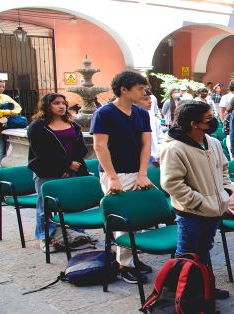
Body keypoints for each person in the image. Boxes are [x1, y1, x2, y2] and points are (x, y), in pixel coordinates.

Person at [160, 101, 231, 299]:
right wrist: (198, 201)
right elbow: (172, 183)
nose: (214, 120)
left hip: (214, 209)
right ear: (194, 123)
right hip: (191, 212)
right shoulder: (174, 148)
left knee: (204, 250)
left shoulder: (213, 142)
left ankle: (206, 288)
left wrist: (226, 191)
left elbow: (225, 168)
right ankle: (185, 297)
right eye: (208, 118)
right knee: (187, 254)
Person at [90, 71, 154, 284]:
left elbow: (146, 144)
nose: (144, 92)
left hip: (138, 172)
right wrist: (113, 177)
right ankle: (125, 264)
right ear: (124, 89)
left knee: (139, 218)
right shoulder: (105, 113)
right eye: (139, 88)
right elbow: (100, 146)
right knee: (123, 220)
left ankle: (130, 257)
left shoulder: (141, 113)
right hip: (115, 173)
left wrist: (143, 172)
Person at [27, 93, 89, 252]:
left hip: (72, 169)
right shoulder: (37, 126)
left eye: (63, 103)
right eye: (56, 103)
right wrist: (66, 165)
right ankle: (45, 237)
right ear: (47, 106)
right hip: (46, 171)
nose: (61, 106)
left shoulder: (73, 125)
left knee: (73, 203)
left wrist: (70, 167)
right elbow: (41, 152)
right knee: (45, 206)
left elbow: (81, 148)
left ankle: (75, 234)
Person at [138, 89, 164, 167]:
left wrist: (160, 153)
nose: (150, 102)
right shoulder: (131, 119)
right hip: (138, 160)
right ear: (134, 101)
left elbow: (160, 139)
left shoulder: (154, 120)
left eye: (150, 99)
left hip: (155, 159)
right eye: (145, 99)